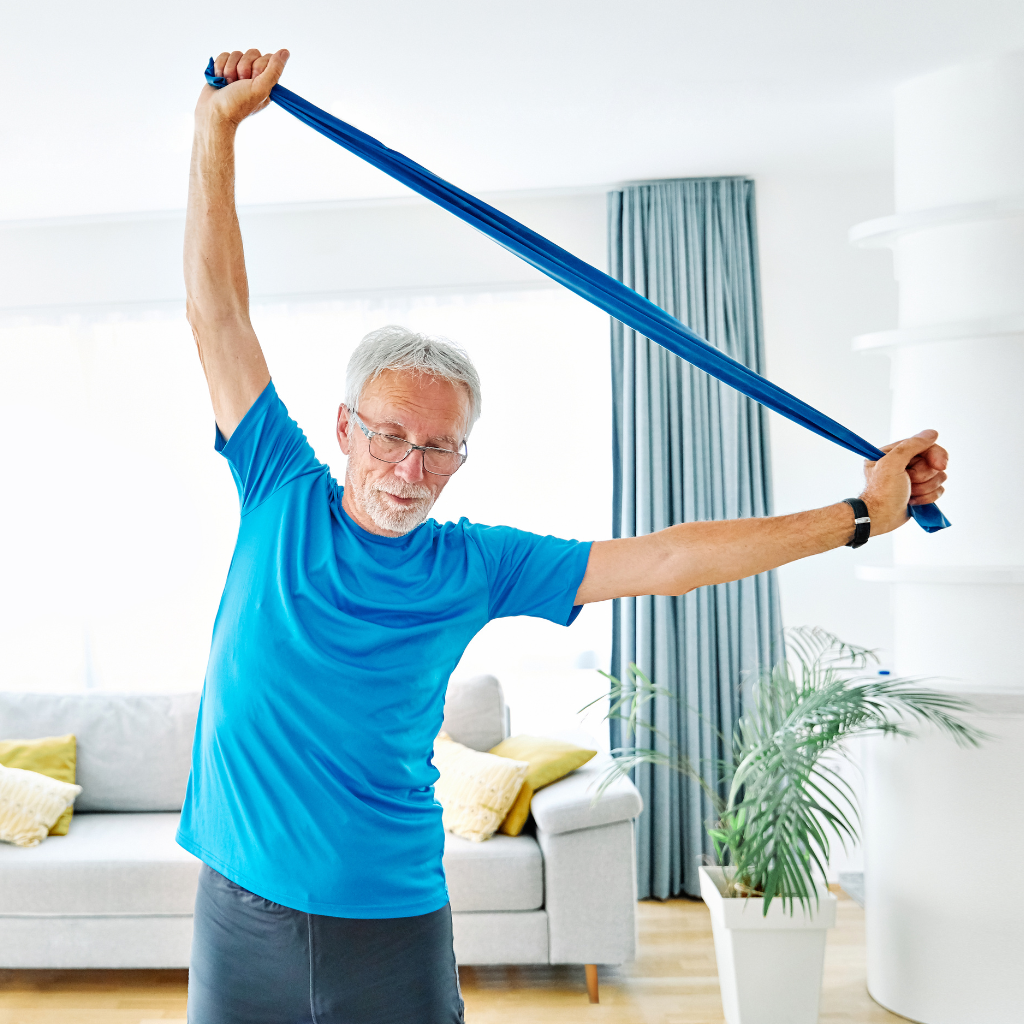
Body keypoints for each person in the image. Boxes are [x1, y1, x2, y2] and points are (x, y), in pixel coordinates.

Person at [177, 48, 948, 1024]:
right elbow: (216, 316)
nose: (409, 468)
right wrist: (215, 131)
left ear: (462, 456)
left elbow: (667, 559)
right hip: (238, 914)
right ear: (343, 430)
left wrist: (857, 516)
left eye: (438, 448)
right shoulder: (279, 487)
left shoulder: (474, 563)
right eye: (389, 436)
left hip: (392, 918)